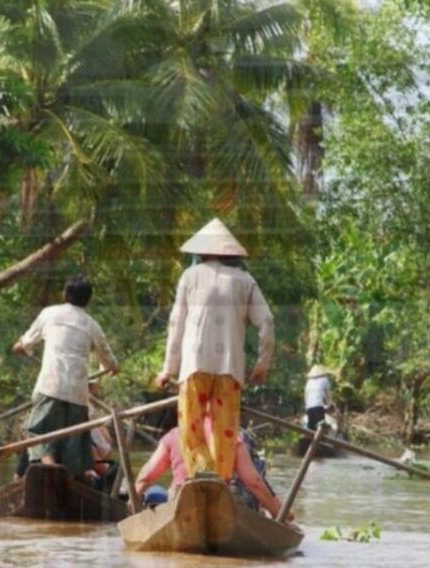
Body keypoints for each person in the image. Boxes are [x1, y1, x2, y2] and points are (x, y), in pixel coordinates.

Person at [155, 218, 274, 482]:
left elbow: (177, 323)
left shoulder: (190, 276)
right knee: (225, 434)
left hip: (194, 366)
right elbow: (266, 320)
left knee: (191, 430)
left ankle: (201, 474)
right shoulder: (245, 280)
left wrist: (167, 370)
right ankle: (220, 482)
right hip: (230, 369)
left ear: (201, 252)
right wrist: (262, 364)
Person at [12, 275, 119, 475]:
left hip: (50, 387)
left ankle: (51, 467)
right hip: (78, 394)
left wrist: (20, 346)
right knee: (76, 440)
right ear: (88, 300)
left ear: (65, 294)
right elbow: (108, 357)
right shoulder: (92, 325)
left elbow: (27, 340)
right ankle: (72, 476)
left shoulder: (49, 314)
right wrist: (114, 367)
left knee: (38, 430)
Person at [134, 424, 288, 522]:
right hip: (220, 500)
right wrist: (278, 513)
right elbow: (254, 483)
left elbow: (146, 477)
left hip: (180, 500)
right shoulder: (231, 437)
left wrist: (134, 500)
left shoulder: (174, 434)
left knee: (155, 494)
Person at [304, 364, 333, 430]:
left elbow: (306, 396)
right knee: (321, 426)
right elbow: (328, 394)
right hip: (318, 406)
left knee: (311, 427)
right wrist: (330, 404)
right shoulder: (324, 380)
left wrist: (306, 405)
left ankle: (311, 434)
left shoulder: (309, 382)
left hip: (309, 407)